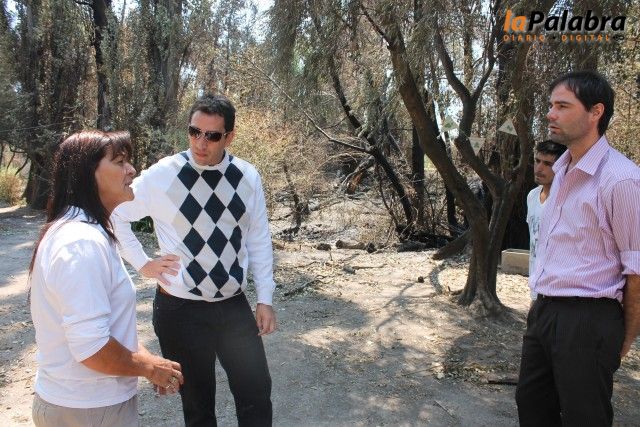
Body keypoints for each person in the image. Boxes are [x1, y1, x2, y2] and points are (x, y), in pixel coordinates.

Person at [112, 94, 276, 426]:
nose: (201, 143)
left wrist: (265, 299)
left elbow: (258, 239)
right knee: (198, 407)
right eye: (194, 132)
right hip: (180, 309)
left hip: (233, 305)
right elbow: (116, 213)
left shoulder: (247, 176)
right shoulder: (164, 174)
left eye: (212, 135)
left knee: (256, 395)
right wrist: (142, 263)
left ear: (229, 137)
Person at [29, 131, 184, 427]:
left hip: (87, 406)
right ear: (88, 174)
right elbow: (91, 348)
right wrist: (149, 368)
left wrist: (148, 360)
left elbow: (104, 329)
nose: (131, 170)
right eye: (120, 161)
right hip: (87, 410)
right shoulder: (81, 242)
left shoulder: (87, 232)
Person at [516, 71, 640, 426]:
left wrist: (625, 338)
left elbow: (636, 269)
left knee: (585, 416)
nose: (550, 114)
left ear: (595, 112)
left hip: (589, 318)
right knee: (532, 407)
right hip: (544, 310)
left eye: (562, 106)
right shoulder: (562, 173)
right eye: (550, 105)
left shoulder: (621, 179)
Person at [526, 139, 566, 299]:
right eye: (537, 161)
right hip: (536, 286)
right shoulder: (532, 196)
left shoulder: (565, 201)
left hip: (558, 291)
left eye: (548, 164)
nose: (539, 168)